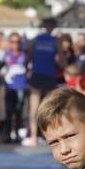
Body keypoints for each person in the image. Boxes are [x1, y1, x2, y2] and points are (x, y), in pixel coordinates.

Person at [26, 18, 62, 146]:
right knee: (48, 107)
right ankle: (47, 136)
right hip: (48, 74)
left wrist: (27, 69)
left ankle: (34, 137)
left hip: (39, 74)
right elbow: (62, 61)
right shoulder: (56, 41)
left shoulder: (37, 39)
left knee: (36, 107)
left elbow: (28, 57)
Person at [0, 32, 29, 143]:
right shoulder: (6, 55)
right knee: (8, 110)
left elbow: (28, 67)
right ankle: (7, 133)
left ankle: (16, 133)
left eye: (18, 42)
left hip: (21, 86)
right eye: (13, 42)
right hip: (9, 86)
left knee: (18, 111)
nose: (15, 44)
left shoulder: (24, 55)